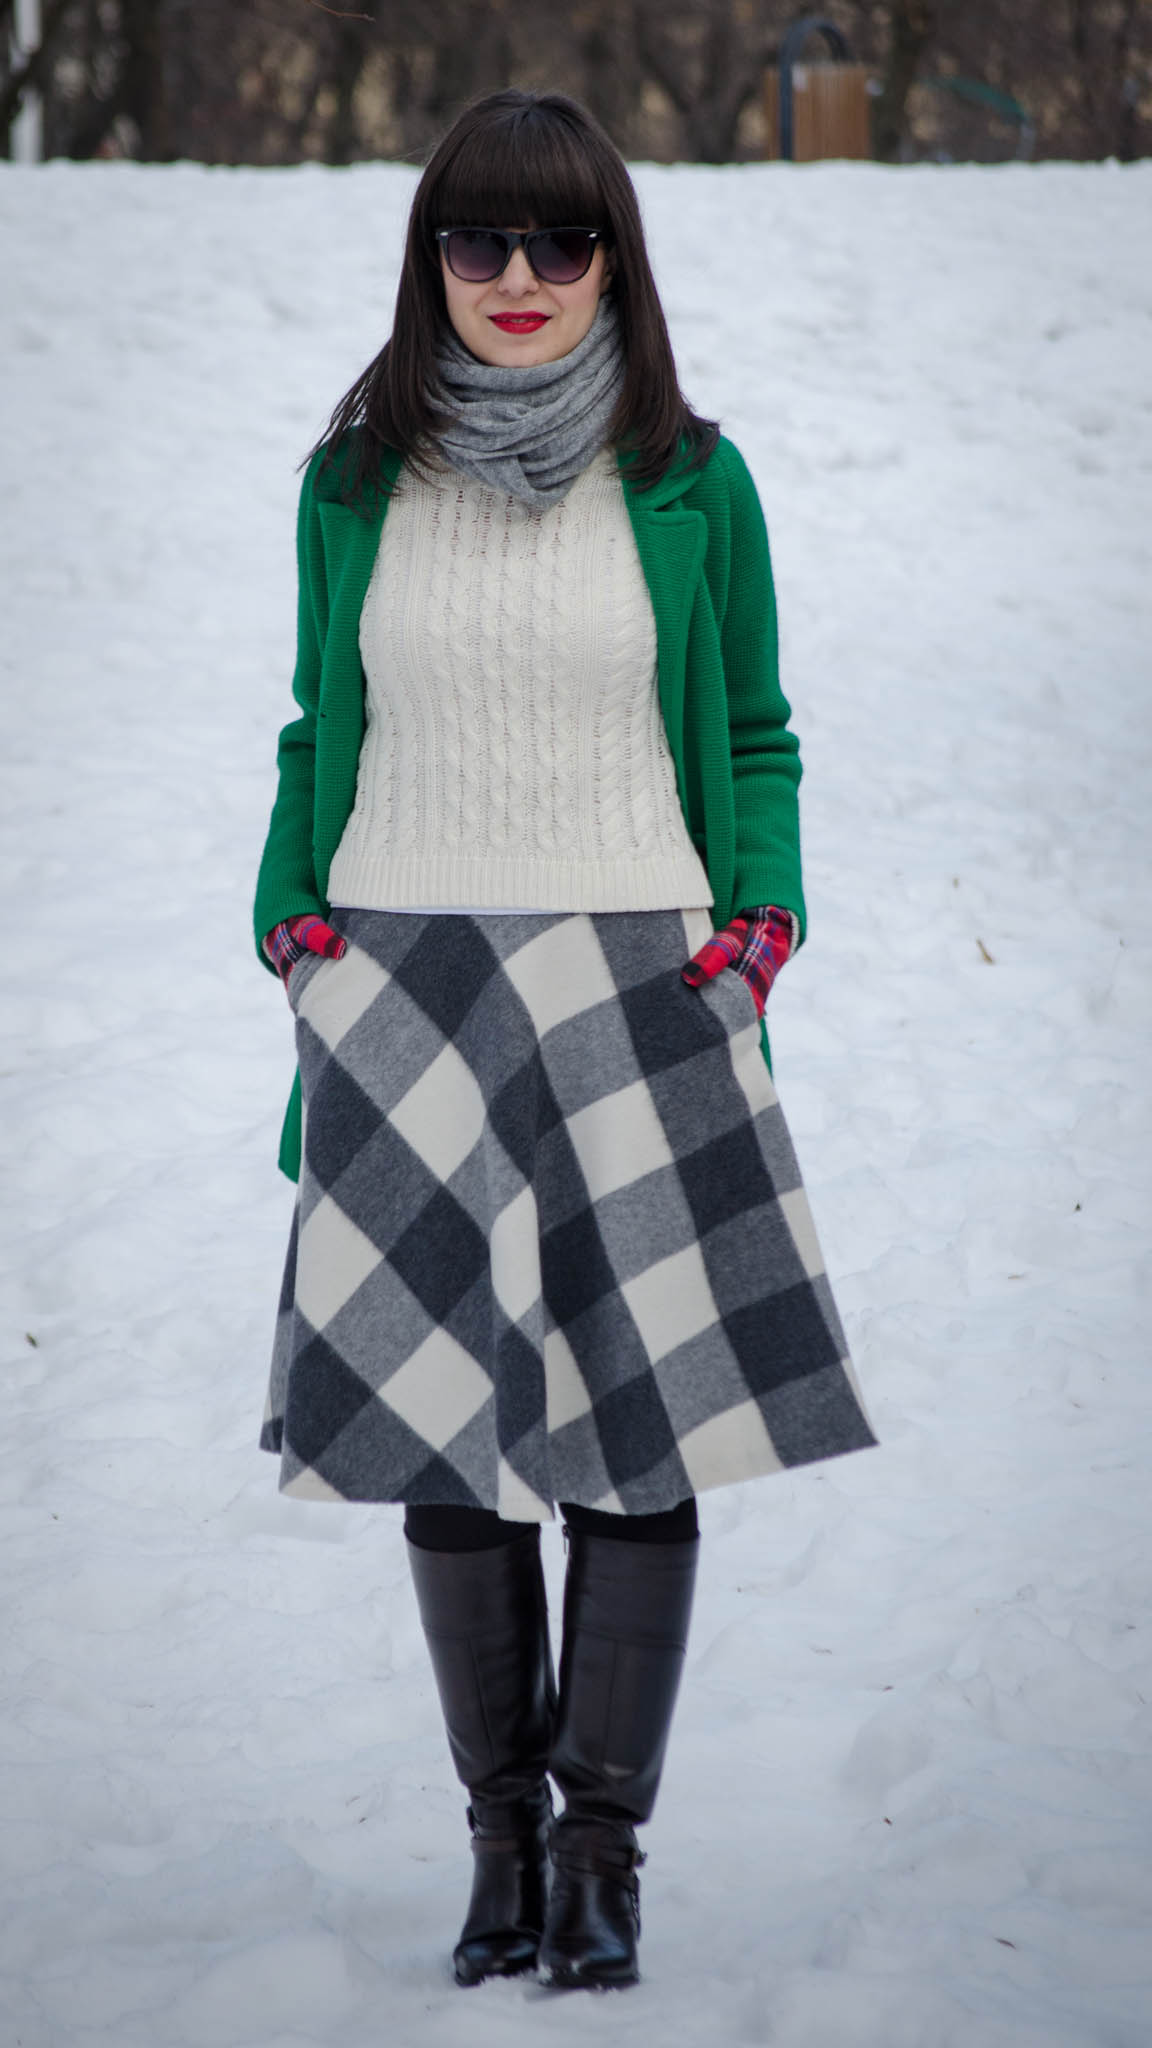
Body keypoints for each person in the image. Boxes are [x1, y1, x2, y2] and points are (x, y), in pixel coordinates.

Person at [253, 87, 877, 1992]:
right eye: (476, 242)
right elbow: (313, 726)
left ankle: (606, 1851)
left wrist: (759, 922)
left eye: (559, 242)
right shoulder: (357, 478)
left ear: (615, 257)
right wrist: (295, 922)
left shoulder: (691, 476)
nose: (517, 281)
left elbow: (754, 731)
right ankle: (501, 1844)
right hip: (408, 980)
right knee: (448, 1429)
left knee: (636, 1420)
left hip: (640, 978)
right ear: (428, 257)